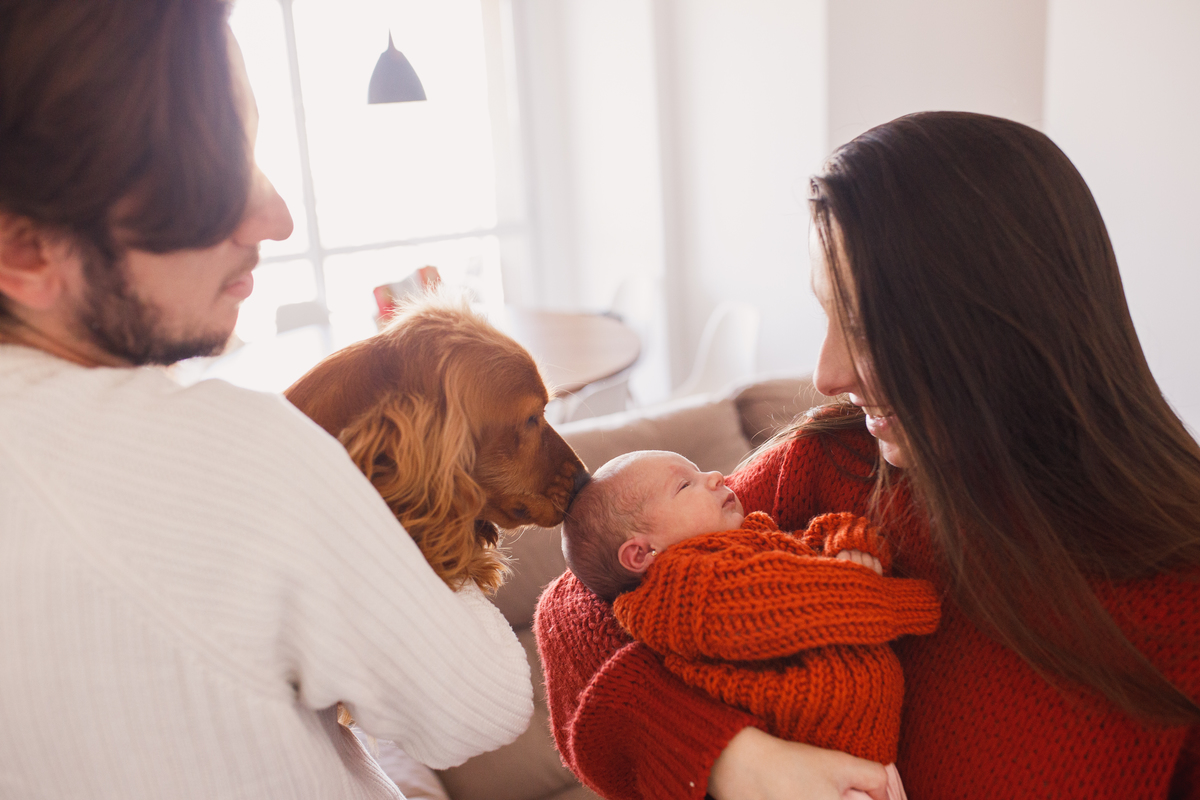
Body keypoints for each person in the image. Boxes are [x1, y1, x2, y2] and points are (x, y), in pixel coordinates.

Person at [534, 111, 1200, 800]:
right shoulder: (834, 463)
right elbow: (572, 611)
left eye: (861, 324)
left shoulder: (1178, 595)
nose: (827, 373)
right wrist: (733, 760)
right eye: (828, 317)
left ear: (998, 326)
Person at [0, 2, 532, 798]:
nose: (275, 216)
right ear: (26, 249)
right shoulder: (220, 449)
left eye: (249, 151)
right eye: (208, 178)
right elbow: (478, 709)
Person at [558, 449, 940, 798]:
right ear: (640, 553)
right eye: (684, 484)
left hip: (862, 753)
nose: (716, 475)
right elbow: (800, 601)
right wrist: (902, 601)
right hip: (809, 763)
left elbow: (811, 543)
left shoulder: (749, 539)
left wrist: (849, 541)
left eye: (699, 466)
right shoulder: (687, 591)